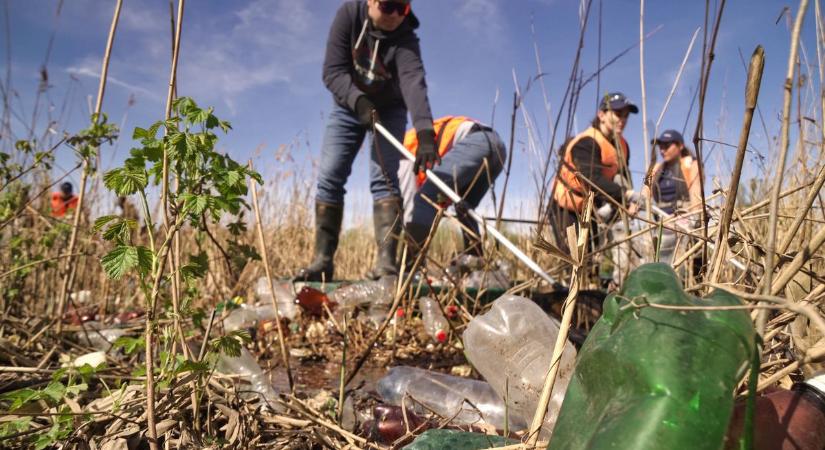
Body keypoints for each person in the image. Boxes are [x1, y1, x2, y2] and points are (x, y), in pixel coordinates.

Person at [296, 0, 437, 282]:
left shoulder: (405, 37)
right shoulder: (348, 15)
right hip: (349, 106)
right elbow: (332, 71)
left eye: (403, 9)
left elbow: (412, 80)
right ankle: (322, 261)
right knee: (330, 175)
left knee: (385, 178)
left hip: (390, 109)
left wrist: (424, 131)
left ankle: (386, 265)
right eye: (388, 6)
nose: (395, 15)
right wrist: (358, 102)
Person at [398, 116, 507, 267]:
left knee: (423, 198)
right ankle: (475, 261)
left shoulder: (403, 149)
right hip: (498, 148)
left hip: (476, 142)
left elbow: (412, 202)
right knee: (464, 206)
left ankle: (410, 267)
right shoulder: (418, 137)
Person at [548, 92, 639, 254]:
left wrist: (629, 203)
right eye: (617, 114)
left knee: (592, 257)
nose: (622, 120)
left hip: (590, 207)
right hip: (566, 207)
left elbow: (625, 176)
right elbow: (591, 180)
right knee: (575, 259)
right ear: (601, 115)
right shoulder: (586, 142)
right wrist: (626, 195)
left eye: (626, 116)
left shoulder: (623, 146)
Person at [641, 129, 703, 266]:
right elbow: (645, 193)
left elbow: (695, 193)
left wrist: (693, 219)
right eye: (661, 147)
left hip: (684, 218)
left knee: (686, 261)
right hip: (661, 219)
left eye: (667, 146)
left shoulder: (691, 164)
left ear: (680, 146)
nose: (663, 150)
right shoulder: (657, 168)